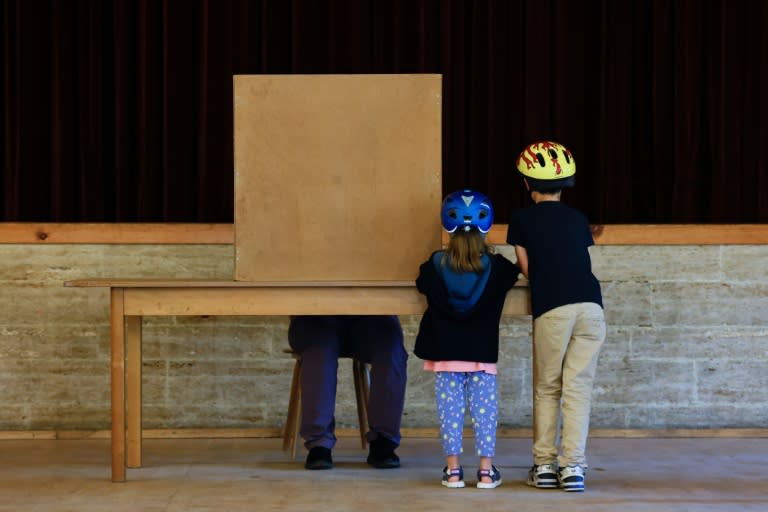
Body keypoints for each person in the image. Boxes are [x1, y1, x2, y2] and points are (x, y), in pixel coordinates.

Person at [506, 141, 606, 492]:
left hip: (554, 309)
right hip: (592, 309)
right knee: (578, 388)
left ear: (526, 183)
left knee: (548, 387)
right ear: (567, 183)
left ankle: (545, 465)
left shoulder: (521, 220)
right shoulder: (578, 219)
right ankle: (574, 468)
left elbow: (530, 270)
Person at [413, 189, 521, 489]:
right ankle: (486, 472)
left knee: (450, 412)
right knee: (485, 411)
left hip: (445, 354)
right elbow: (516, 273)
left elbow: (421, 280)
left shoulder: (434, 266)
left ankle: (454, 471)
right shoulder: (498, 269)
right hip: (481, 355)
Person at [288, 315, 408, 470]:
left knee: (391, 348)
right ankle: (319, 444)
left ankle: (384, 440)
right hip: (315, 316)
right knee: (319, 350)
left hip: (373, 316)